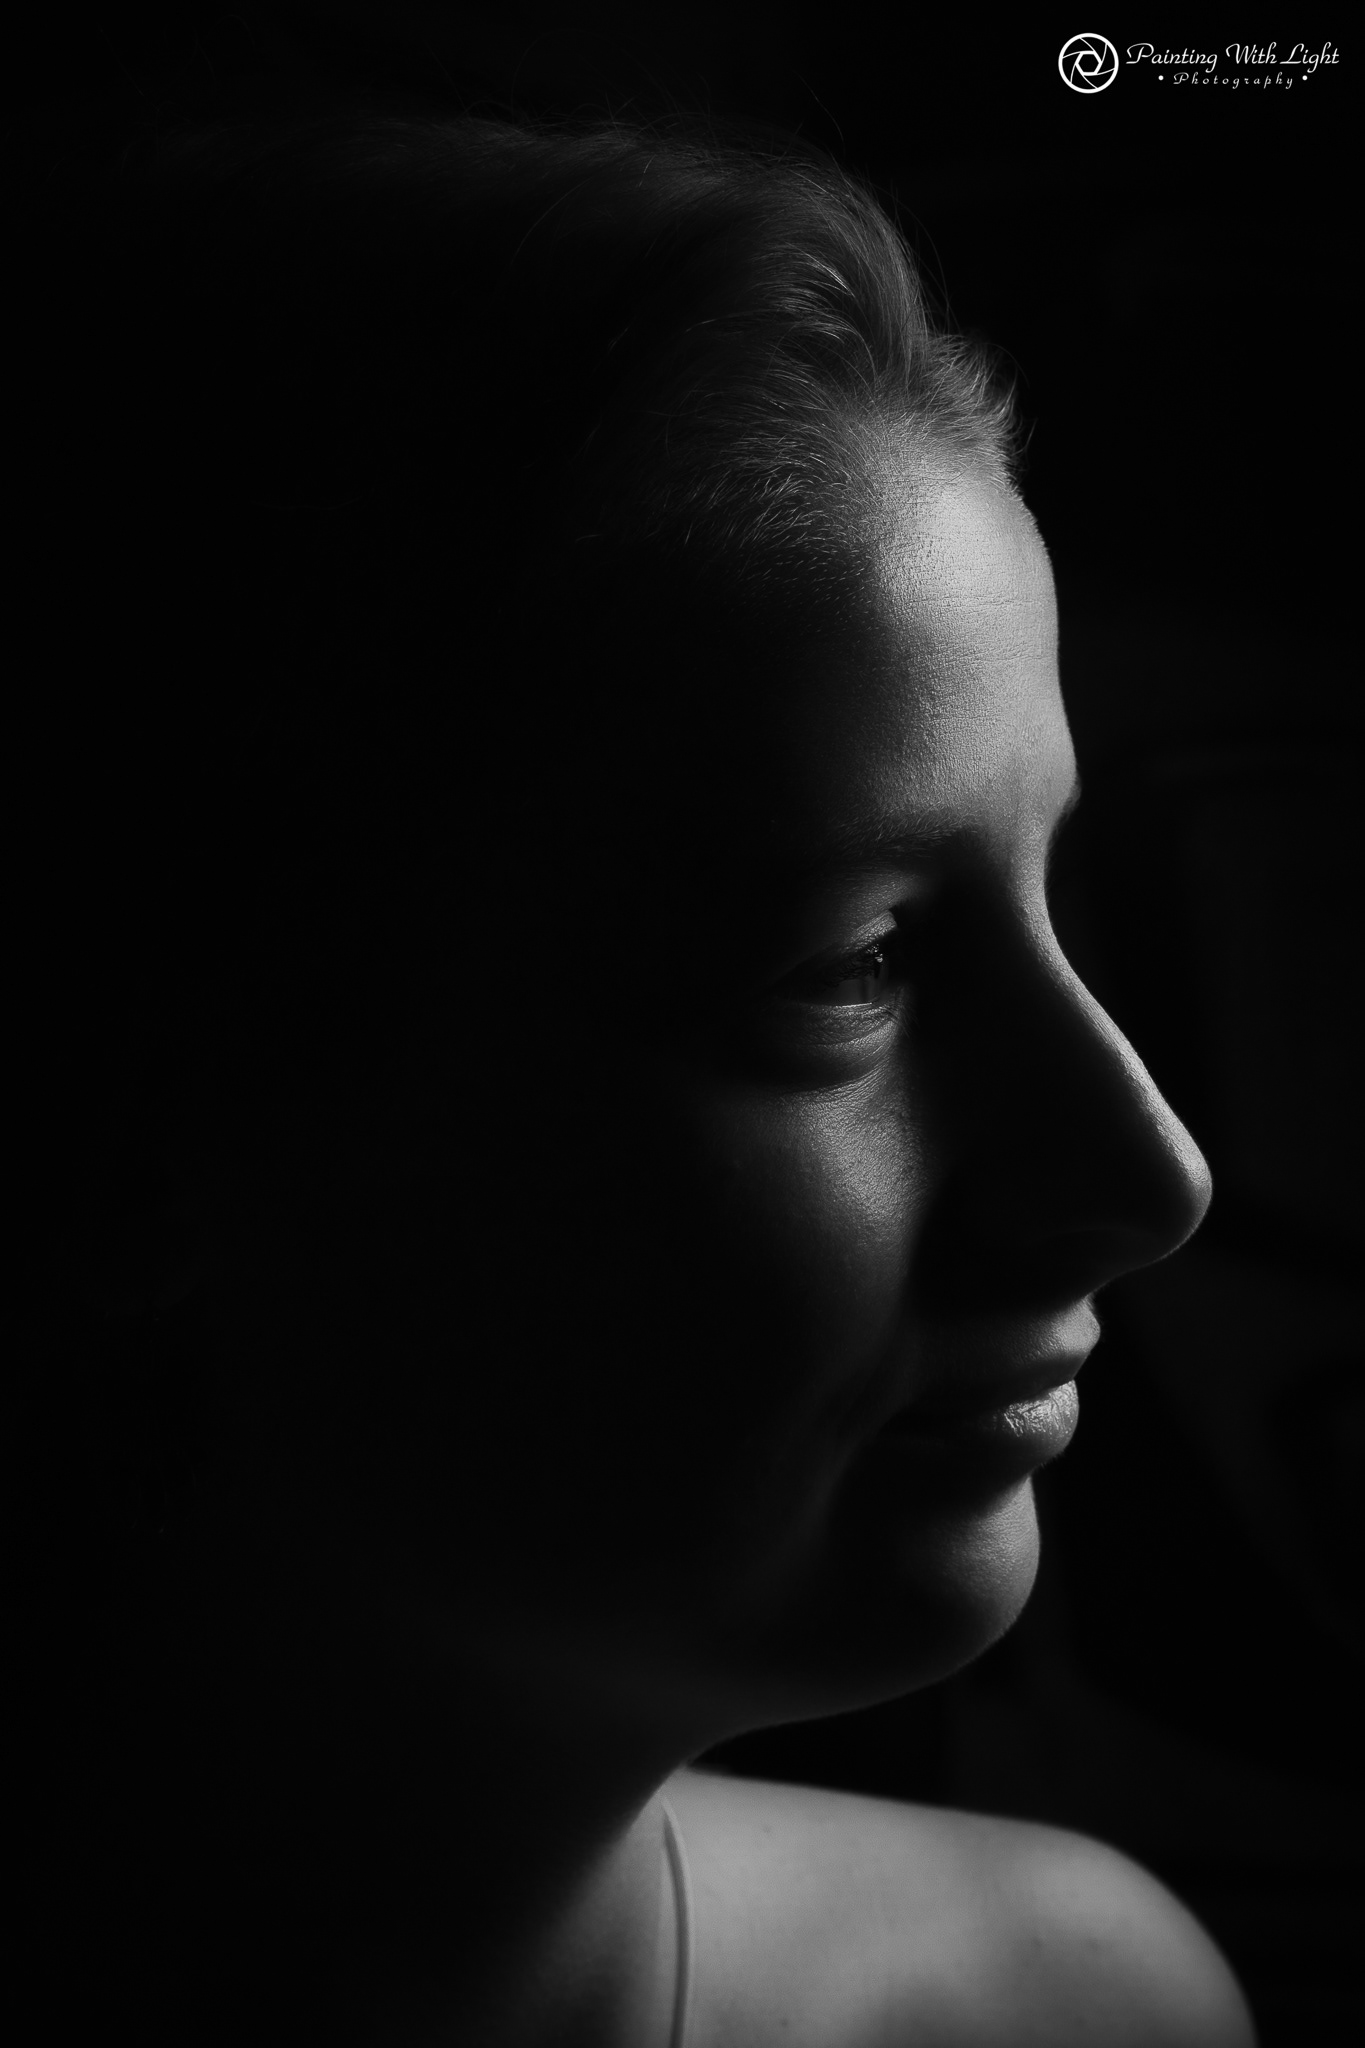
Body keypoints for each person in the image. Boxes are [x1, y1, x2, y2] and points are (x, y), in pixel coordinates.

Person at [15, 64, 1257, 2048]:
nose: (1145, 1177)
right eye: (854, 966)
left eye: (1047, 895)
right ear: (142, 1105)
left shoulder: (1087, 2006)